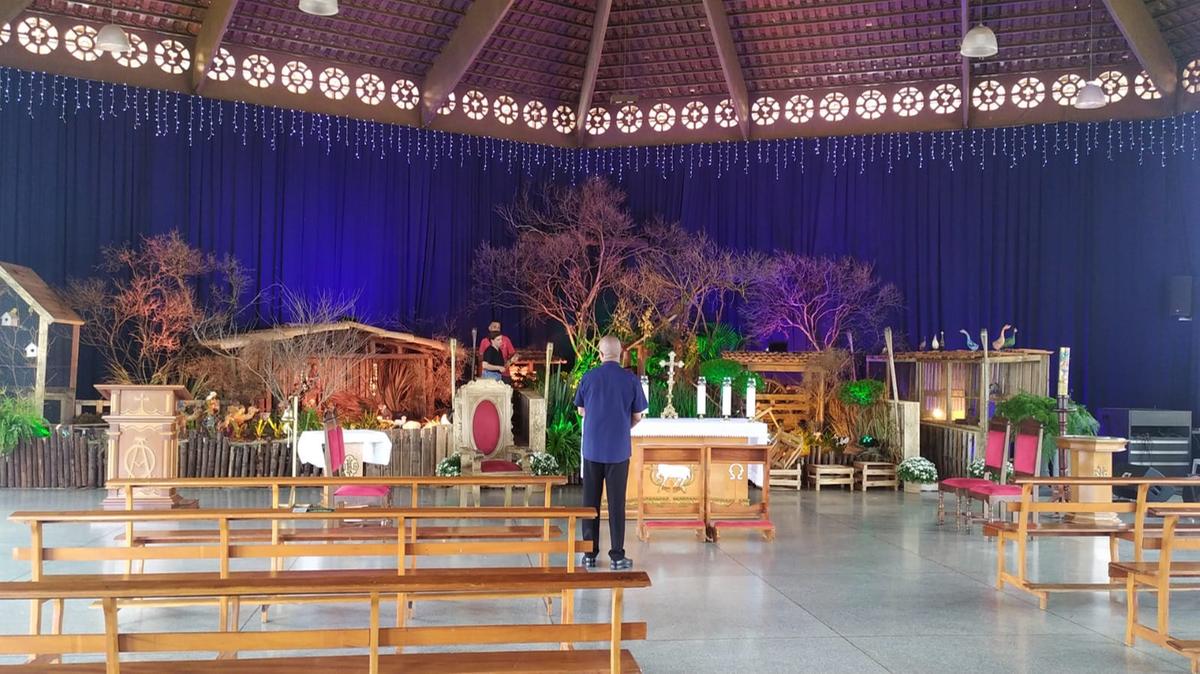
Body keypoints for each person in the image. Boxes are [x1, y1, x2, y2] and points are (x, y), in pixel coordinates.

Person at [573, 335, 647, 570]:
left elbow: (581, 410)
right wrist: (623, 426)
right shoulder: (630, 379)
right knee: (616, 504)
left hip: (593, 449)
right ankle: (617, 556)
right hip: (618, 450)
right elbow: (638, 415)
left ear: (600, 354)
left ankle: (589, 554)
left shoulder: (589, 377)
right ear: (621, 353)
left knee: (590, 503)